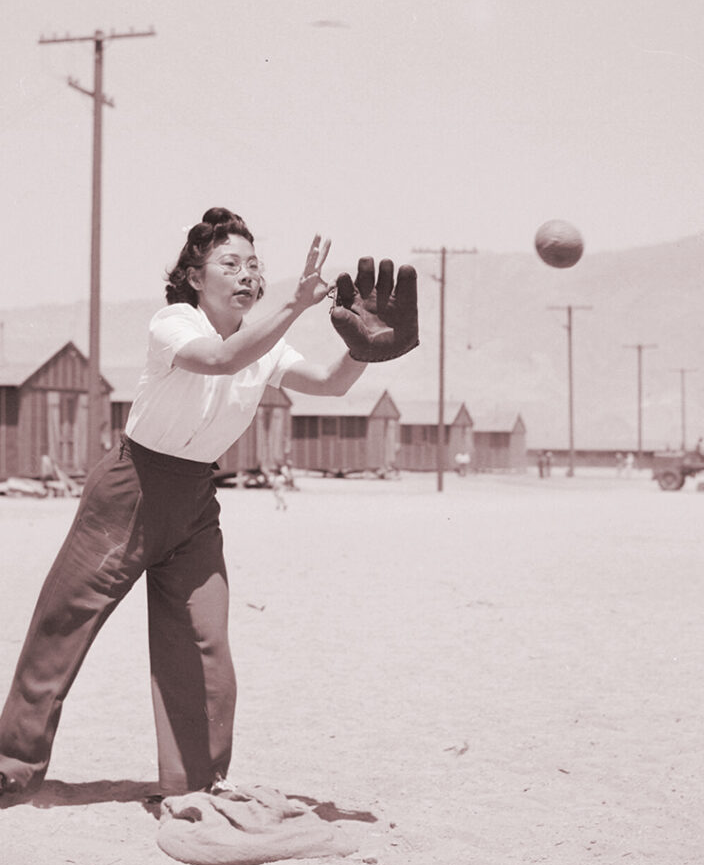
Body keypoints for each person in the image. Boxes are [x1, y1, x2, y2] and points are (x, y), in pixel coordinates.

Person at [0, 207, 418, 801]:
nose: (247, 274)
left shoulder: (268, 345)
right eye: (230, 263)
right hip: (128, 490)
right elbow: (221, 358)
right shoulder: (173, 322)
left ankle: (194, 786)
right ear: (196, 277)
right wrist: (296, 304)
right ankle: (10, 766)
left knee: (204, 643)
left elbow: (330, 384)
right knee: (62, 625)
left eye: (254, 264)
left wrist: (366, 349)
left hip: (196, 501)